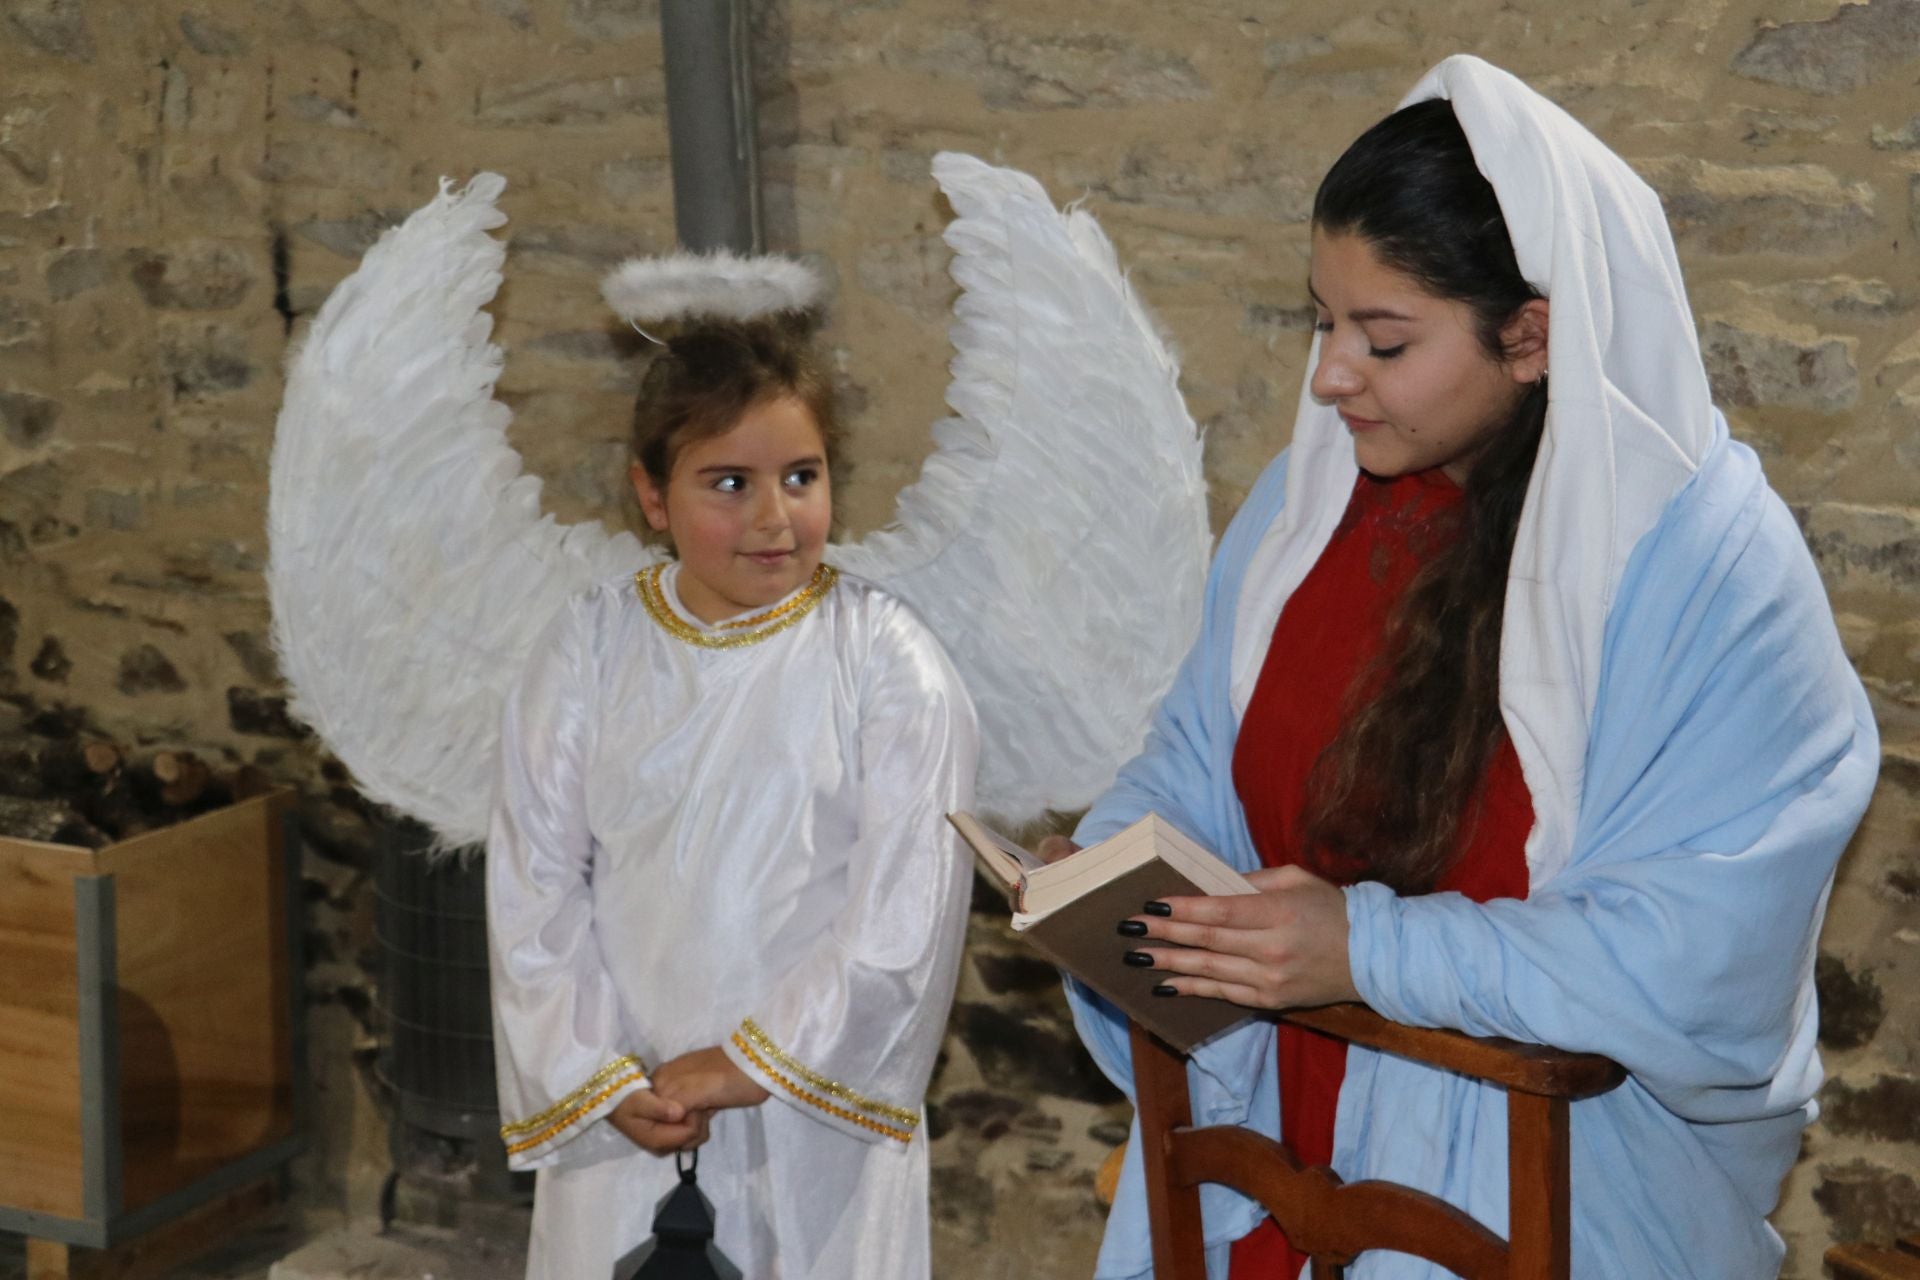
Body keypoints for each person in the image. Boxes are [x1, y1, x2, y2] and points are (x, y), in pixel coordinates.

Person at [1050, 55, 1878, 1279]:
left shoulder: (1708, 568)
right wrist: (1117, 859)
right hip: (1277, 1145)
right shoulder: (1307, 504)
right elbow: (1201, 751)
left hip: (1545, 1185)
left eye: (1383, 339)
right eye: (1323, 322)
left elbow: (1690, 952)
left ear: (1532, 334)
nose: (1331, 376)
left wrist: (1365, 949)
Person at [486, 310, 979, 1279]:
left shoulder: (889, 662)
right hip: (627, 1098)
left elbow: (904, 916)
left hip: (810, 1114)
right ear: (651, 495)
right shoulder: (587, 649)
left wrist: (756, 1058)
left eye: (803, 475)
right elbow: (534, 882)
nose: (775, 515)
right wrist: (597, 1075)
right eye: (729, 482)